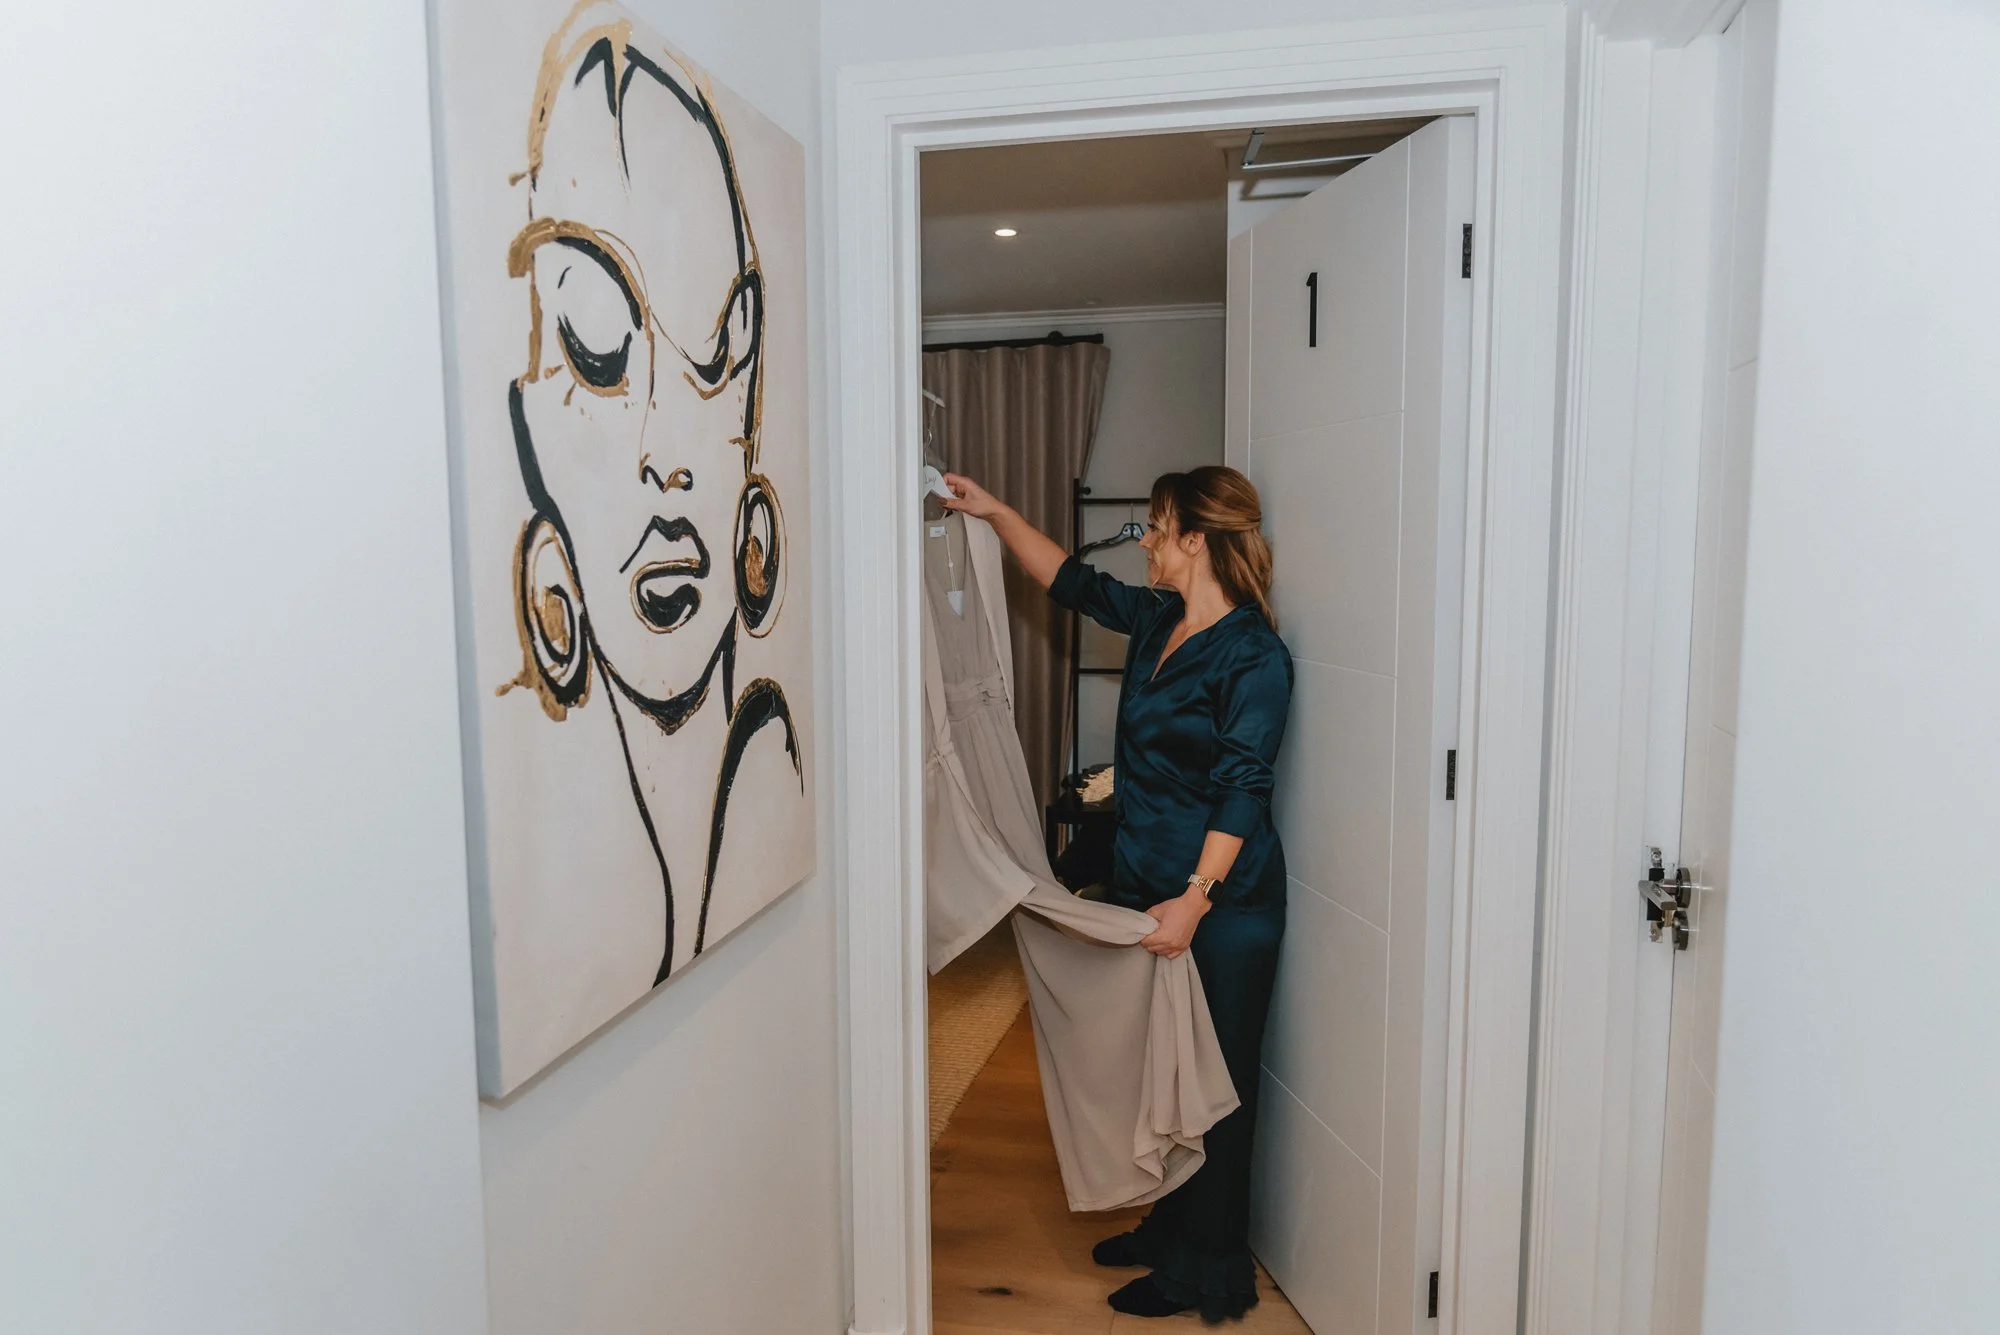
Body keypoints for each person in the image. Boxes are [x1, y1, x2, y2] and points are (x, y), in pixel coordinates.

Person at [941, 464, 1293, 1322]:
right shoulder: (1159, 619)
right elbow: (1071, 582)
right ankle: (1166, 1227)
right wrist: (995, 511)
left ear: (1195, 540)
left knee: (1214, 1093)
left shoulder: (1255, 655)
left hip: (1221, 909)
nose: (1145, 541)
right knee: (1158, 1072)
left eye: (1157, 526)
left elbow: (1244, 787)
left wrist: (1196, 899)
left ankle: (1204, 1270)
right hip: (1145, 888)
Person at [502, 8, 803, 986]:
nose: (665, 455)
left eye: (716, 354)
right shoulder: (564, 894)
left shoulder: (773, 783)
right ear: (527, 418)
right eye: (597, 348)